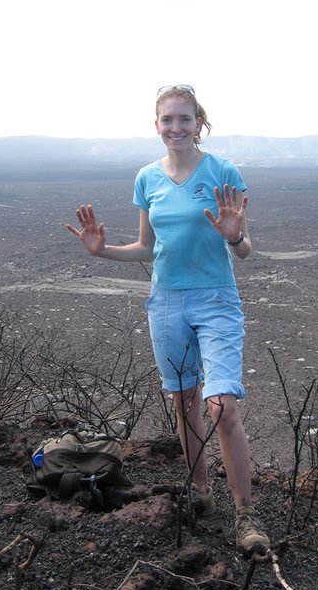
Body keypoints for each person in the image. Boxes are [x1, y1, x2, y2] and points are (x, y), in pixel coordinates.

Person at [67, 84, 270, 555]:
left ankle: (246, 515)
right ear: (156, 125)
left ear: (199, 122)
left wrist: (234, 236)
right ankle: (201, 492)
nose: (175, 127)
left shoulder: (222, 172)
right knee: (183, 401)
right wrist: (102, 251)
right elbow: (147, 247)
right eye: (167, 119)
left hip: (215, 299)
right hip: (166, 303)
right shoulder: (147, 178)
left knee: (222, 406)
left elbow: (244, 249)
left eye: (184, 118)